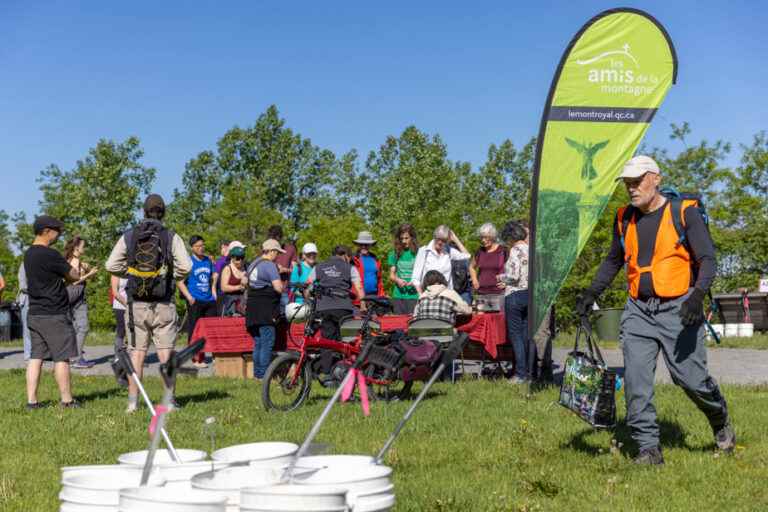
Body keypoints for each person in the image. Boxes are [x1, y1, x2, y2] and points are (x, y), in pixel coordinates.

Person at [575, 155, 734, 465]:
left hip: (680, 308)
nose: (631, 189)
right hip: (638, 311)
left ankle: (719, 419)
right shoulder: (623, 218)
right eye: (627, 183)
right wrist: (590, 293)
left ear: (655, 178)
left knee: (690, 379)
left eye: (637, 181)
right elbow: (613, 261)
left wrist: (696, 296)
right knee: (636, 381)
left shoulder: (684, 213)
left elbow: (708, 260)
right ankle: (649, 449)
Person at [105, 194, 191, 413]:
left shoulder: (130, 235)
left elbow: (111, 265)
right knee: (166, 353)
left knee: (137, 353)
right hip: (163, 302)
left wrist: (130, 273)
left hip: (136, 305)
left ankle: (133, 402)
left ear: (143, 212)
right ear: (163, 212)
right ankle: (168, 402)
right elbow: (187, 266)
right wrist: (171, 274)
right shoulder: (171, 236)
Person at [24, 215, 81, 409]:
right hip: (54, 313)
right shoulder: (50, 254)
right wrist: (74, 263)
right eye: (57, 231)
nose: (59, 235)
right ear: (47, 231)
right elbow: (74, 276)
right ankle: (67, 400)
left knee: (35, 357)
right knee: (62, 357)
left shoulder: (29, 254)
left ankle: (32, 401)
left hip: (35, 312)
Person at [306, 245, 364, 341]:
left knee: (327, 341)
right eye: (350, 258)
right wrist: (363, 305)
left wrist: (308, 299)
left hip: (324, 308)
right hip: (344, 308)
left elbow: (307, 287)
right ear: (345, 255)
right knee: (347, 341)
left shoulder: (318, 267)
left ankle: (327, 355)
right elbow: (359, 288)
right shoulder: (351, 268)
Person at [246, 239, 285, 380]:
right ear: (272, 251)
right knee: (267, 342)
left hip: (252, 308)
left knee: (258, 343)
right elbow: (278, 288)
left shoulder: (253, 264)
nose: (278, 256)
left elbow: (244, 282)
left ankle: (257, 374)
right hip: (266, 309)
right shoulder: (269, 265)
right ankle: (264, 375)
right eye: (277, 252)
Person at [177, 235, 217, 368]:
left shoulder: (207, 260)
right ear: (192, 248)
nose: (201, 248)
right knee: (195, 330)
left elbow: (212, 276)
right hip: (195, 300)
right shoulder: (188, 262)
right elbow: (180, 282)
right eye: (198, 246)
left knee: (210, 328)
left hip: (209, 299)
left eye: (202, 245)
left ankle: (213, 355)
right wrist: (189, 297)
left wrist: (213, 291)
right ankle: (196, 358)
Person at [500, 220, 530, 383]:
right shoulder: (531, 250)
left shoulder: (515, 250)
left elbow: (513, 276)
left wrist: (501, 277)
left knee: (515, 335)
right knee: (525, 334)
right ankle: (527, 371)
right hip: (529, 294)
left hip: (515, 295)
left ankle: (519, 374)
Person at [64, 236, 99, 369]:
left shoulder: (77, 261)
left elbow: (83, 279)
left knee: (77, 328)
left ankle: (75, 357)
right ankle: (76, 358)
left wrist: (89, 271)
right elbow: (74, 282)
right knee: (83, 327)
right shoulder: (73, 261)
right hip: (73, 295)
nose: (84, 248)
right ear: (76, 248)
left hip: (77, 296)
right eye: (83, 245)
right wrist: (88, 275)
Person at [411, 225, 470, 293]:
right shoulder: (424, 251)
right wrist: (421, 296)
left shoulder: (449, 251)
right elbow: (415, 279)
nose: (440, 242)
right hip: (428, 295)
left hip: (447, 295)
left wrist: (456, 239)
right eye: (438, 239)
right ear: (434, 237)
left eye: (444, 240)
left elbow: (467, 257)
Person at [470, 223, 508, 310]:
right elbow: (471, 267)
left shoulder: (503, 251)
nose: (483, 240)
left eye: (486, 237)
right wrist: (475, 280)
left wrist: (506, 282)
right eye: (481, 237)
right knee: (481, 320)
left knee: (497, 321)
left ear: (493, 236)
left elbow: (511, 269)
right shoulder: (479, 252)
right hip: (481, 293)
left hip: (498, 293)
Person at [387, 224, 420, 315]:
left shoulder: (419, 253)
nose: (404, 241)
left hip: (414, 294)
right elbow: (392, 275)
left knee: (412, 325)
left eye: (406, 238)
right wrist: (397, 280)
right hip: (399, 295)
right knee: (399, 325)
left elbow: (424, 273)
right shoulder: (394, 254)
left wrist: (414, 281)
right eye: (401, 238)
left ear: (412, 238)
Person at [268, 225, 298, 315]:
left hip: (284, 290)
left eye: (276, 239)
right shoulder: (266, 249)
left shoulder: (290, 249)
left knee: (285, 317)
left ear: (280, 237)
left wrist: (285, 270)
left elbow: (295, 270)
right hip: (268, 290)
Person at [351, 231, 385, 308]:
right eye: (361, 244)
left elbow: (379, 279)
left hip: (373, 297)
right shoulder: (353, 260)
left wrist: (382, 294)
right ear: (358, 245)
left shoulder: (375, 259)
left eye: (366, 244)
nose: (364, 246)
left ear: (370, 245)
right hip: (357, 298)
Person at [220, 241, 247, 316]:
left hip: (243, 303)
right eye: (238, 258)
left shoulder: (246, 267)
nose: (240, 261)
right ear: (232, 257)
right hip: (230, 303)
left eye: (242, 257)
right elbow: (223, 287)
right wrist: (239, 287)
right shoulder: (227, 269)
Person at [16, 263, 32, 360]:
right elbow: (23, 286)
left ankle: (40, 353)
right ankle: (28, 353)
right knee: (27, 327)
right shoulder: (24, 264)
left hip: (41, 298)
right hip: (27, 298)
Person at [110, 275, 128, 355]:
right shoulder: (116, 274)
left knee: (134, 330)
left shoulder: (133, 271)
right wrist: (127, 304)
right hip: (120, 305)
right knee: (121, 330)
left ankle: (134, 356)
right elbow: (115, 293)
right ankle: (118, 354)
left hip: (134, 305)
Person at [212, 239, 230, 314]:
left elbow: (214, 278)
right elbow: (215, 278)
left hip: (223, 295)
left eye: (224, 247)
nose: (222, 250)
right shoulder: (220, 261)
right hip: (222, 294)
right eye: (222, 248)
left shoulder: (221, 262)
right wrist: (215, 295)